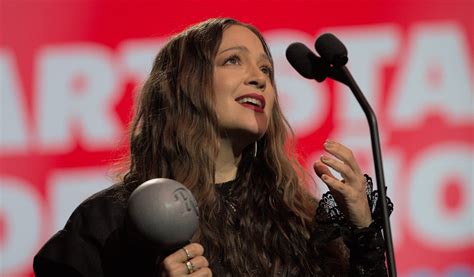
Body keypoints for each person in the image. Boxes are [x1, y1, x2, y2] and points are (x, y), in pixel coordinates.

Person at [33, 18, 392, 276]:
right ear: (184, 86)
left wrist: (362, 227)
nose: (259, 78)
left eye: (266, 69)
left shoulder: (298, 218)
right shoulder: (113, 221)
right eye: (233, 60)